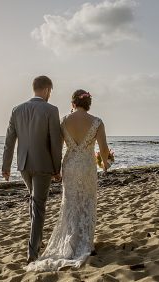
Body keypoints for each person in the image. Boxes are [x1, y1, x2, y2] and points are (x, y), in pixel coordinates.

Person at [25, 89, 111, 271]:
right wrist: (105, 162)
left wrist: (55, 170)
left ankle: (71, 242)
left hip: (70, 165)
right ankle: (86, 243)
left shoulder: (63, 121)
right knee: (87, 201)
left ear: (73, 104)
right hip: (87, 166)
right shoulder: (97, 122)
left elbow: (56, 147)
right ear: (88, 104)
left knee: (70, 202)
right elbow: (103, 149)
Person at [2, 75, 63, 264]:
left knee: (34, 203)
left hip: (23, 165)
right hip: (43, 164)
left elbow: (9, 140)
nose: (50, 95)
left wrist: (6, 166)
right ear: (46, 90)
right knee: (38, 206)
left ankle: (35, 241)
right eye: (50, 92)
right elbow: (55, 143)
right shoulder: (51, 110)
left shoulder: (17, 110)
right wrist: (56, 168)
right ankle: (33, 251)